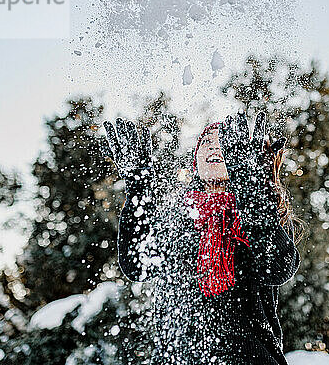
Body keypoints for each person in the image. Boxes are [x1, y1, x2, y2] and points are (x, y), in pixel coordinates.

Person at [103, 110, 301, 365]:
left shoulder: (261, 212)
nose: (213, 147)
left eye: (223, 142)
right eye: (206, 142)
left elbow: (277, 268)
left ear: (241, 155)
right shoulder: (178, 218)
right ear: (195, 158)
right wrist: (139, 187)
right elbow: (138, 265)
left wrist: (250, 187)